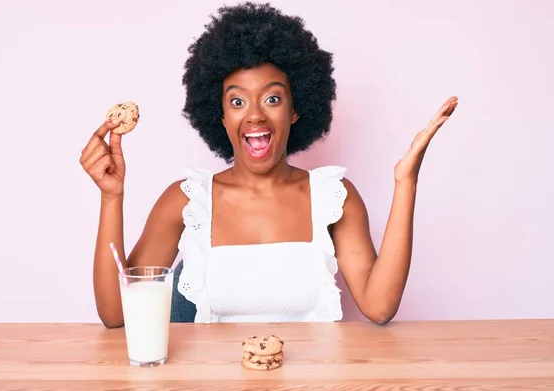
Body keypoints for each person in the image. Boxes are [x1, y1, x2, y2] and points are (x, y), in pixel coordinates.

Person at [79, 2, 457, 328]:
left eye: (272, 99)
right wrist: (112, 196)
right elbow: (116, 314)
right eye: (238, 102)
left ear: (295, 110)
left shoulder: (332, 197)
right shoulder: (186, 200)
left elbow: (379, 307)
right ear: (220, 115)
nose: (255, 116)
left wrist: (405, 181)